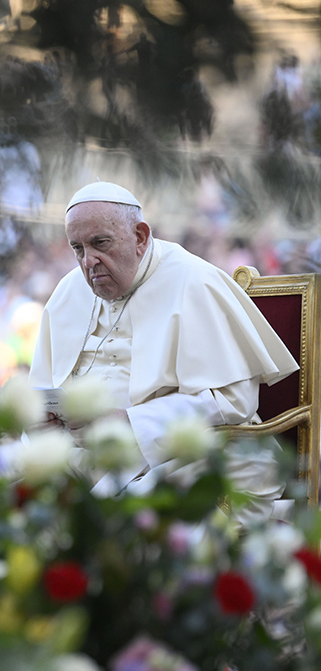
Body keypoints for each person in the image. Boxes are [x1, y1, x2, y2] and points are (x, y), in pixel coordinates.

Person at [29, 181, 299, 525]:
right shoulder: (69, 291)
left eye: (100, 243)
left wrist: (130, 423)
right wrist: (46, 423)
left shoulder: (194, 281)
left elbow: (233, 402)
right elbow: (43, 388)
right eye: (77, 248)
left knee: (128, 518)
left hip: (185, 454)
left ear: (140, 236)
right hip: (92, 457)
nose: (88, 261)